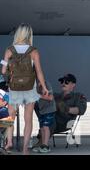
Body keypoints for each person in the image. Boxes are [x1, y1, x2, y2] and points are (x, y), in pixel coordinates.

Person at [1, 23, 49, 154]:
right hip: (30, 88)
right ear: (29, 35)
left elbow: (3, 70)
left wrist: (7, 70)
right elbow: (39, 72)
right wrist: (44, 87)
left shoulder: (9, 50)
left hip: (14, 87)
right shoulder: (34, 51)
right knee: (28, 120)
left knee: (9, 116)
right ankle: (24, 148)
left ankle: (9, 141)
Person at [32, 80, 56, 153]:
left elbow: (50, 97)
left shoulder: (46, 84)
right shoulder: (32, 86)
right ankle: (42, 144)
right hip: (41, 111)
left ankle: (46, 145)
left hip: (49, 109)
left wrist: (38, 95)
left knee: (46, 127)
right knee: (42, 128)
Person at [0, 82, 13, 154]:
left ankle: (2, 146)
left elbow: (10, 100)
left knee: (8, 120)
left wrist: (4, 103)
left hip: (3, 113)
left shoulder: (2, 92)